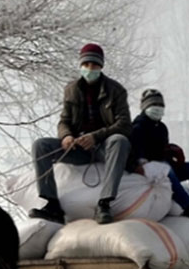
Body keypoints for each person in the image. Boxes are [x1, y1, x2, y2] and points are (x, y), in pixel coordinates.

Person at [29, 43, 132, 225]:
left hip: (103, 146)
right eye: (86, 65)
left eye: (94, 65)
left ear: (101, 66)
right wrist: (66, 136)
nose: (89, 69)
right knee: (41, 145)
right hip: (78, 148)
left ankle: (104, 203)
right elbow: (64, 121)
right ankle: (52, 204)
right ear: (80, 66)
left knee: (119, 140)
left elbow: (124, 124)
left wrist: (96, 137)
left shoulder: (116, 91)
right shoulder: (71, 90)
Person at [130, 88, 189, 220]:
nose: (157, 109)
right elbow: (137, 151)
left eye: (160, 106)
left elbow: (162, 150)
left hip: (165, 165)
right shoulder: (138, 127)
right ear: (145, 107)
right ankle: (188, 206)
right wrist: (142, 161)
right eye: (154, 105)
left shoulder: (162, 128)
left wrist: (172, 153)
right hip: (147, 167)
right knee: (165, 168)